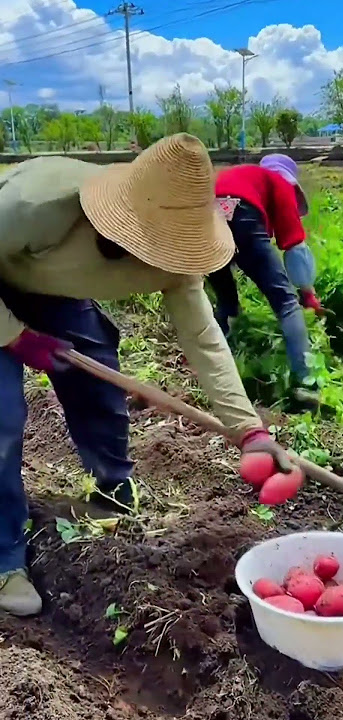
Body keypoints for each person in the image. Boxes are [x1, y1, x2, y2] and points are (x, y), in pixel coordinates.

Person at [0, 133, 291, 617]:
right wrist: (13, 336)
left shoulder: (179, 254)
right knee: (3, 417)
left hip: (55, 289)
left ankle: (112, 485)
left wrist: (250, 430)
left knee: (96, 375)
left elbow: (203, 338)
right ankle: (5, 555)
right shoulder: (35, 204)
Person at [210, 154, 322, 404]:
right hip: (244, 215)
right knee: (286, 303)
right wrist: (307, 292)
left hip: (206, 221)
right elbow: (294, 244)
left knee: (227, 303)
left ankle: (220, 378)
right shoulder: (279, 182)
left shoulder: (244, 175)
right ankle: (306, 383)